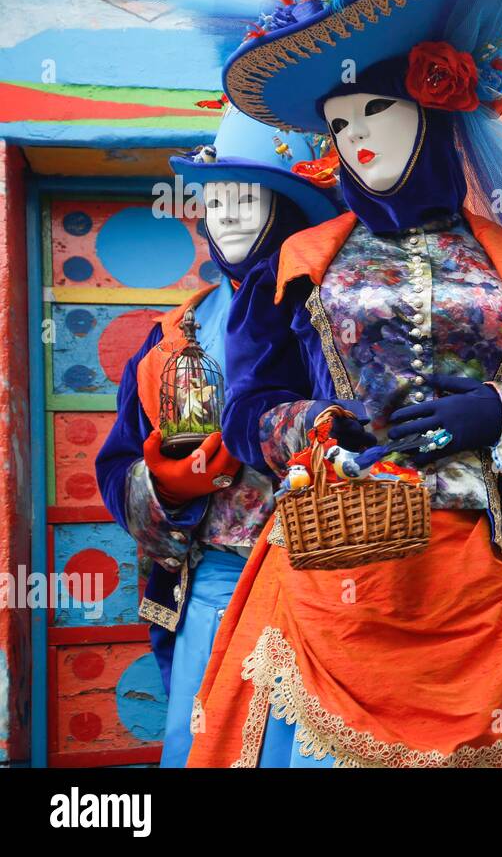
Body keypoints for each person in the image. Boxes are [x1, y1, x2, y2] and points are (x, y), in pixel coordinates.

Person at [185, 0, 502, 768]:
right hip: (332, 569)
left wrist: (500, 416)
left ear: (435, 105)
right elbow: (248, 408)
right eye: (339, 123)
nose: (355, 136)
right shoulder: (297, 267)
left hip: (485, 582)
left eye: (374, 109)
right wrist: (318, 429)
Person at [94, 105, 341, 767]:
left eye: (247, 198)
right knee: (208, 745)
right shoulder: (171, 336)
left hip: (333, 582)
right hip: (215, 586)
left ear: (284, 207)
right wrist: (167, 489)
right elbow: (119, 465)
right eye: (215, 199)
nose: (226, 214)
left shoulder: (337, 308)